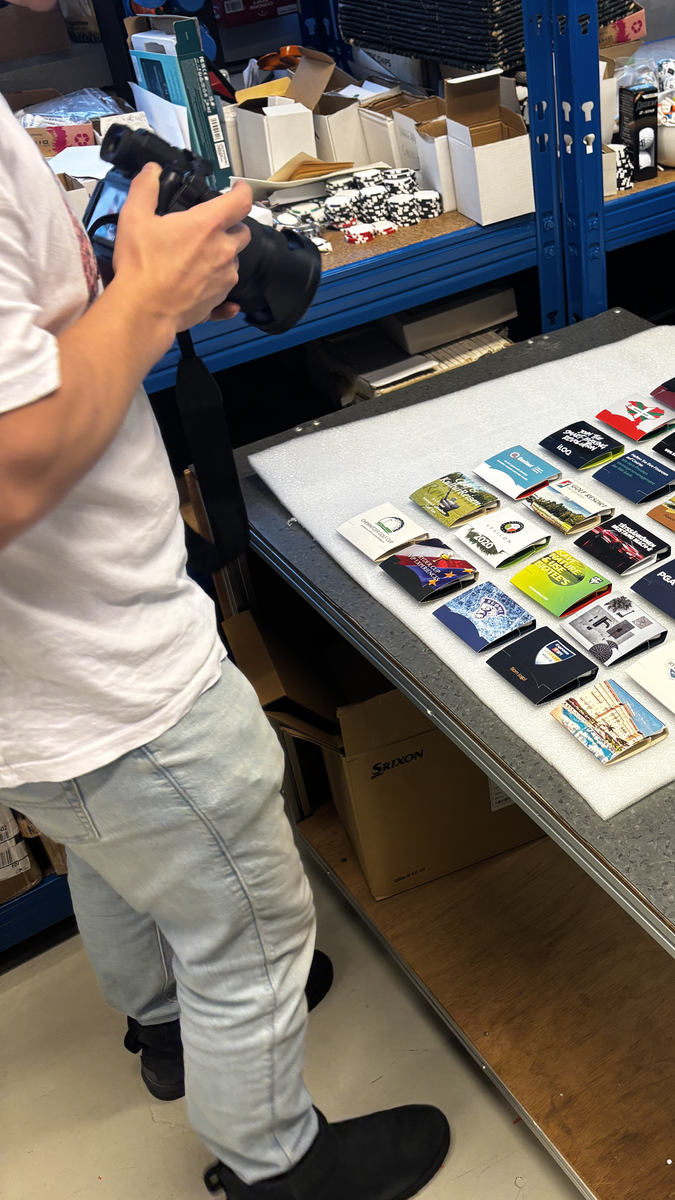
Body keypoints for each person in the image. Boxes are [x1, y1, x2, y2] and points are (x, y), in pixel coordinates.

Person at [0, 0, 450, 1194]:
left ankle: (161, 1032)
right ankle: (276, 1164)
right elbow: (11, 472)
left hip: (35, 695)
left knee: (110, 858)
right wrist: (143, 307)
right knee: (251, 928)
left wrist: (113, 301)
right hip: (113, 672)